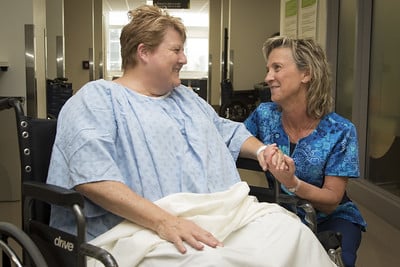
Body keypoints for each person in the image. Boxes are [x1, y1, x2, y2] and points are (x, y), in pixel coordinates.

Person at [46, 6, 336, 266]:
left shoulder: (185, 97)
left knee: (293, 234)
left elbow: (226, 130)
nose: (184, 59)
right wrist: (164, 222)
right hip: (137, 226)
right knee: (211, 262)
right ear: (144, 52)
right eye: (176, 50)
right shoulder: (96, 100)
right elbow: (92, 177)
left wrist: (262, 152)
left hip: (222, 213)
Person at [244, 36, 367, 267]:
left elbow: (332, 200)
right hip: (279, 213)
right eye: (268, 69)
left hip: (330, 218)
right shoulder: (264, 115)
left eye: (277, 68)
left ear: (306, 74)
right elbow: (234, 142)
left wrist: (293, 183)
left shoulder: (340, 131)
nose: (268, 77)